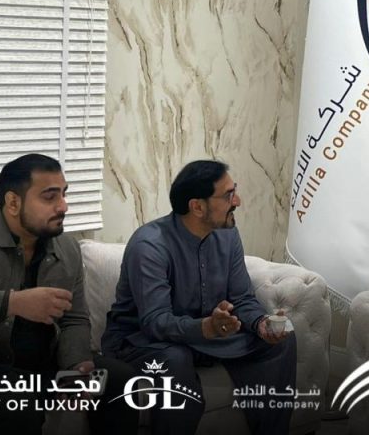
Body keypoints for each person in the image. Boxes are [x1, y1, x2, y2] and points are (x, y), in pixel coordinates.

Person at [0, 153, 138, 435]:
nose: (63, 206)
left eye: (64, 194)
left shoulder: (66, 247)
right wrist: (12, 303)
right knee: (19, 403)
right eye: (50, 197)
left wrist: (76, 365)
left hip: (49, 364)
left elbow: (74, 318)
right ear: (13, 202)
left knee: (119, 380)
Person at [102, 159, 296, 435]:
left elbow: (242, 298)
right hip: (141, 341)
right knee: (175, 358)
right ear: (197, 207)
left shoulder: (228, 235)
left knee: (279, 341)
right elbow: (155, 322)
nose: (237, 201)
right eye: (228, 195)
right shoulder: (150, 245)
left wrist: (261, 323)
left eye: (234, 191)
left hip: (203, 336)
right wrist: (206, 327)